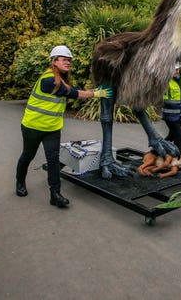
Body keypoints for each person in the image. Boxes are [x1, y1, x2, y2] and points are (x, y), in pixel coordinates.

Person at [15, 45, 112, 208]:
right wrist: (95, 93)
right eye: (64, 59)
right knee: (28, 155)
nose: (68, 63)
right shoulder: (48, 80)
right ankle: (20, 183)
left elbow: (71, 89)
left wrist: (94, 91)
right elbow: (73, 93)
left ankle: (55, 194)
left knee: (53, 160)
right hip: (32, 127)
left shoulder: (62, 79)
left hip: (52, 129)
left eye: (69, 60)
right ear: (54, 62)